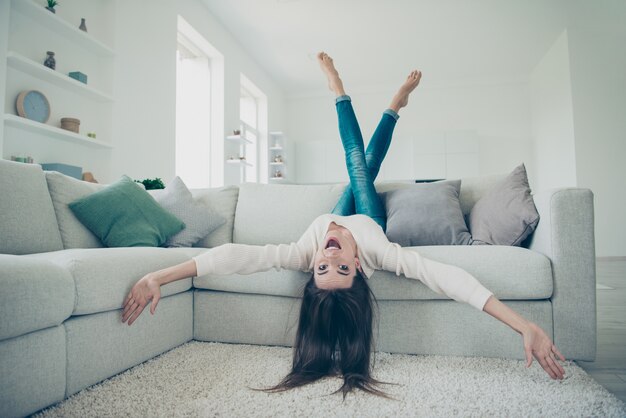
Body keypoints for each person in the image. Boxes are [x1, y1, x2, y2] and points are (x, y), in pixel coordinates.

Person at [122, 52, 566, 397]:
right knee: (359, 163)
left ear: (312, 265)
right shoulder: (379, 251)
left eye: (322, 268)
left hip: (334, 211)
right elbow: (449, 279)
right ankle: (383, 102)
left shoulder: (307, 247)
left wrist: (160, 274)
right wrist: (522, 324)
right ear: (359, 267)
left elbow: (235, 258)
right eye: (343, 268)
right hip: (368, 219)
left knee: (362, 164)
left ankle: (355, 94)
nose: (331, 256)